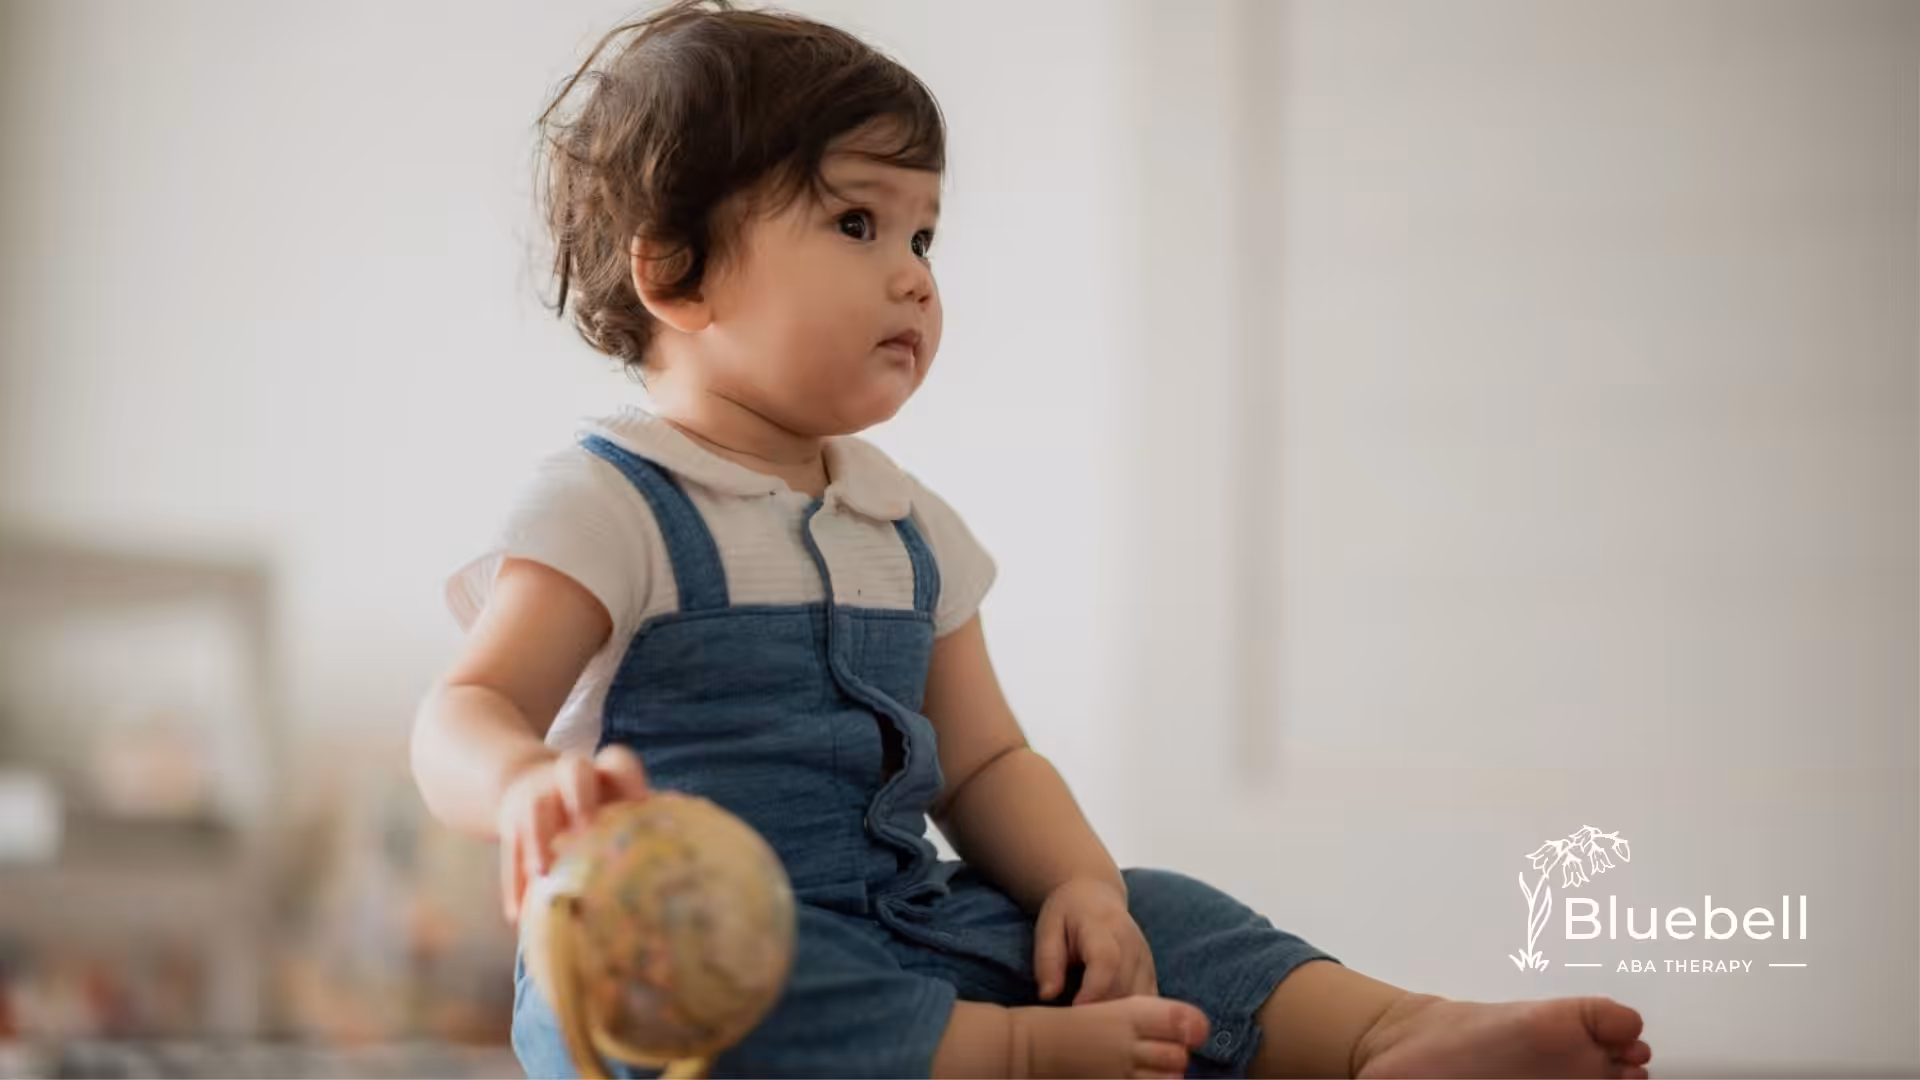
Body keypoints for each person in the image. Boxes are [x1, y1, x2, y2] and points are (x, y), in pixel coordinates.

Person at [409, 2, 1657, 1076]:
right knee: (709, 1003)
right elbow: (462, 712)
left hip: (909, 918)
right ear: (678, 274)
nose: (913, 276)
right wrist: (525, 784)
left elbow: (989, 761)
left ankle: (1394, 1033)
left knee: (1165, 913)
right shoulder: (612, 505)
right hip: (686, 952)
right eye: (858, 225)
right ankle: (1005, 1055)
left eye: (925, 235)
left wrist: (1082, 887)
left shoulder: (905, 525)